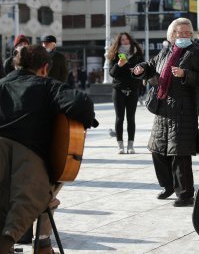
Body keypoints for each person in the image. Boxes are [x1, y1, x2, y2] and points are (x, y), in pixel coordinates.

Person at [0, 45, 97, 254]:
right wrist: (87, 122)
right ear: (44, 68)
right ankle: (35, 243)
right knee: (44, 192)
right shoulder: (47, 86)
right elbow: (82, 103)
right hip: (28, 158)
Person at [133, 18, 199, 207]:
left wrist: (185, 75)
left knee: (179, 154)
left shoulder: (195, 53)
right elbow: (150, 65)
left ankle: (185, 194)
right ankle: (167, 186)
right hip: (163, 107)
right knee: (157, 150)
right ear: (172, 34)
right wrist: (140, 69)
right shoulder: (166, 51)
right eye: (179, 33)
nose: (183, 36)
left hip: (183, 109)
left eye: (187, 33)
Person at [108, 32, 144, 154]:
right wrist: (118, 65)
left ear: (130, 40)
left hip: (133, 89)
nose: (125, 42)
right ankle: (120, 145)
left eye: (127, 39)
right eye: (122, 40)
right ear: (119, 42)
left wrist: (138, 71)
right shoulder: (115, 54)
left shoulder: (137, 54)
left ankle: (130, 145)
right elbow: (112, 73)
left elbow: (144, 69)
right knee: (119, 118)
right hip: (118, 90)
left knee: (131, 118)